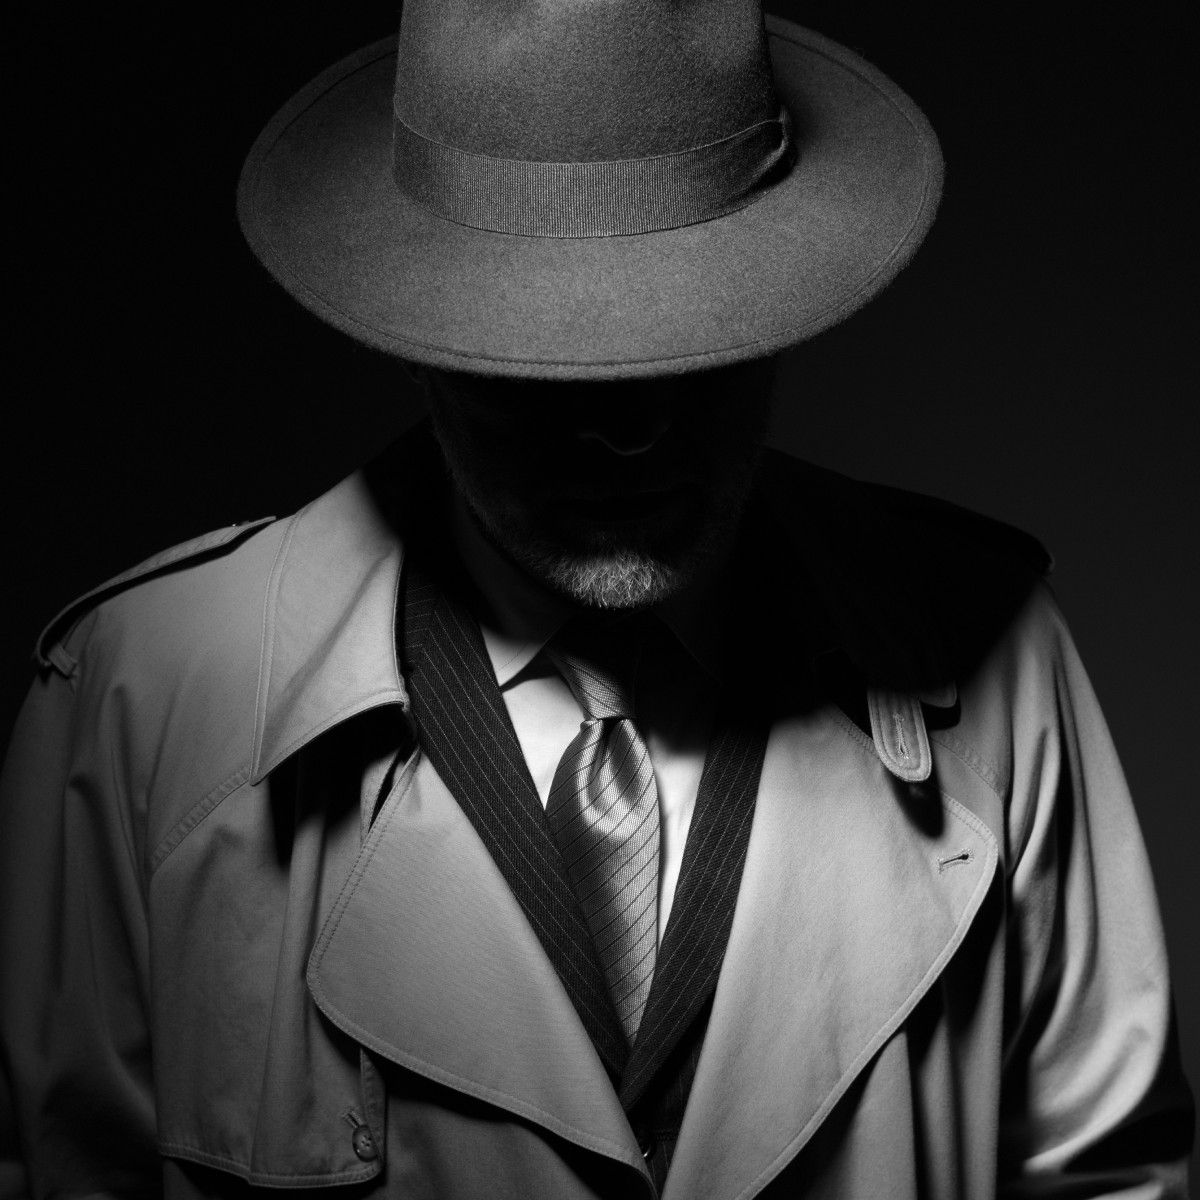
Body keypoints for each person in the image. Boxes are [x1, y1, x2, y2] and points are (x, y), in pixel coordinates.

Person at [0, 0, 1193, 1197]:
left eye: (693, 340)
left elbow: (1112, 1176)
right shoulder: (137, 704)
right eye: (541, 360)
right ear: (409, 327)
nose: (629, 433)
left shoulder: (995, 657)